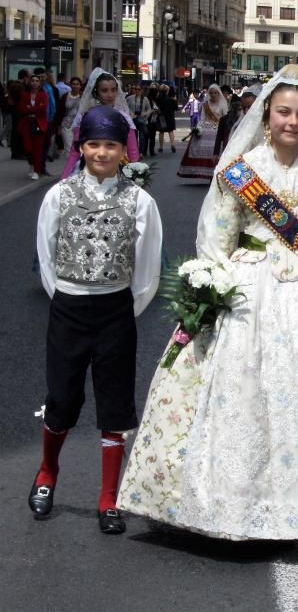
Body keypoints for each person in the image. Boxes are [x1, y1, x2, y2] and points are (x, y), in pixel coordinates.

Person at [117, 64, 298, 540]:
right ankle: (236, 505)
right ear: (266, 115)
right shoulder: (242, 170)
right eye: (282, 114)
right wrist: (210, 291)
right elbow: (217, 238)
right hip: (249, 290)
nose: (291, 123)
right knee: (245, 393)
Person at [30, 105, 163, 534]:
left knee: (115, 403)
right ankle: (48, 471)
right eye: (93, 145)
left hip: (116, 311)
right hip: (68, 308)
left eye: (110, 145)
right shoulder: (59, 195)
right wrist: (68, 294)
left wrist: (124, 304)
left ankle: (109, 497)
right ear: (81, 147)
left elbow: (148, 268)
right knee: (62, 398)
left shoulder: (139, 200)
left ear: (123, 151)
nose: (102, 153)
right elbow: (46, 254)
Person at [61, 69, 141, 179]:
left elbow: (132, 151)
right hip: (90, 171)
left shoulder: (124, 118)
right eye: (104, 90)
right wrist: (64, 179)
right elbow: (75, 152)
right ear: (96, 92)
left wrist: (136, 176)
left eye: (113, 90)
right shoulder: (85, 117)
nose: (110, 95)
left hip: (118, 172)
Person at [177, 84, 228, 180]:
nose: (213, 95)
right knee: (196, 141)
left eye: (215, 93)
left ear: (218, 93)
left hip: (219, 128)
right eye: (211, 93)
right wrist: (199, 128)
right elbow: (202, 119)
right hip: (206, 127)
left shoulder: (223, 104)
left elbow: (225, 118)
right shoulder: (205, 104)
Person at [17, 73, 50, 181]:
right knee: (27, 147)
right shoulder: (25, 95)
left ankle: (37, 171)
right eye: (33, 80)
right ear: (29, 82)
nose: (34, 83)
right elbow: (21, 108)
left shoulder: (43, 95)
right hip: (27, 123)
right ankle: (31, 163)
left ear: (40, 83)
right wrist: (34, 109)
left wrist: (30, 109)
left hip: (39, 124)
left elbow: (43, 108)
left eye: (37, 81)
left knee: (38, 149)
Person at [214, 83, 260, 156]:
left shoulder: (264, 125)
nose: (246, 111)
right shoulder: (231, 122)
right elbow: (219, 139)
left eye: (250, 107)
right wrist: (216, 153)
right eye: (243, 108)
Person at [126, 83, 154, 159]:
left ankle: (141, 152)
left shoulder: (145, 99)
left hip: (142, 120)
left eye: (138, 89)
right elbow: (126, 108)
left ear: (142, 90)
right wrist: (131, 114)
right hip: (133, 120)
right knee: (134, 137)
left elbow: (149, 109)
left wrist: (144, 114)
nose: (137, 91)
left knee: (142, 137)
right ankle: (134, 152)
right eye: (135, 89)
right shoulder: (129, 98)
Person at [59, 77, 84, 159]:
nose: (75, 86)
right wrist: (57, 126)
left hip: (79, 126)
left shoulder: (83, 97)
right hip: (67, 125)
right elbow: (60, 111)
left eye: (77, 84)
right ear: (70, 85)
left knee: (79, 148)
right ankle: (69, 167)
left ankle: (77, 167)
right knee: (69, 148)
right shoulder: (65, 96)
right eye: (73, 84)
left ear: (80, 86)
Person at [156, 84, 178, 153]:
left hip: (162, 116)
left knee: (161, 132)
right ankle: (172, 144)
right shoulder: (171, 99)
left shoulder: (158, 99)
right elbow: (176, 108)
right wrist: (175, 101)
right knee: (170, 131)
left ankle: (161, 147)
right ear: (167, 91)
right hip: (170, 116)